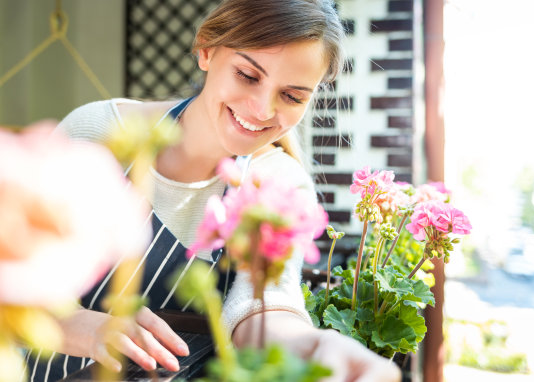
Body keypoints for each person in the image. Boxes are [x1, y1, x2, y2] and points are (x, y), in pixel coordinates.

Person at [25, 0, 401, 381]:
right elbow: (19, 276)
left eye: (292, 96)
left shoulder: (279, 183)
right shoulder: (100, 133)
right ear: (206, 50)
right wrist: (91, 329)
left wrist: (315, 346)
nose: (261, 109)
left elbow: (266, 302)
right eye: (248, 75)